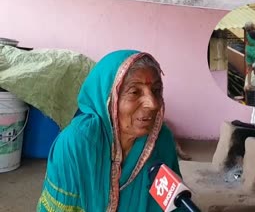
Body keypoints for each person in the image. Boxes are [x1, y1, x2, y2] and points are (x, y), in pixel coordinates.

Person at [36, 50, 182, 212]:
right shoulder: (77, 142)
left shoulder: (161, 140)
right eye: (134, 92)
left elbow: (174, 204)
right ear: (109, 98)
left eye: (156, 91)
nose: (153, 104)